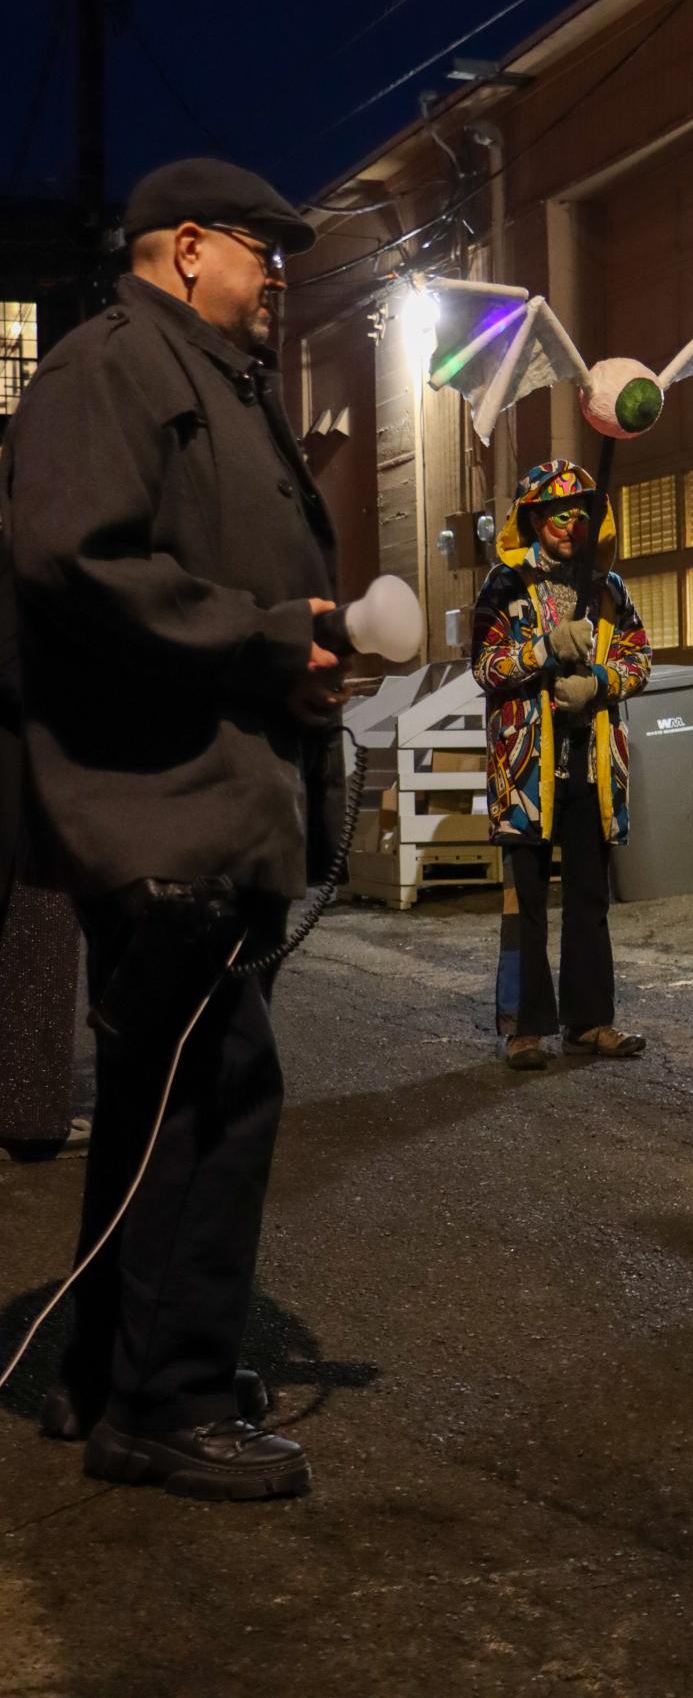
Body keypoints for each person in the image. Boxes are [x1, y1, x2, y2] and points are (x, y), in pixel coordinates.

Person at [2, 157, 344, 1501]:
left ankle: (110, 1370)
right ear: (185, 246)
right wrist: (269, 639)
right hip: (158, 801)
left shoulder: (202, 374)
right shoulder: (112, 366)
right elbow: (72, 560)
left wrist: (296, 648)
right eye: (265, 248)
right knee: (213, 1098)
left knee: (162, 1101)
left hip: (204, 793)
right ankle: (171, 1402)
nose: (279, 277)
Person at [472, 460, 651, 1070]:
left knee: (588, 900)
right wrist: (544, 649)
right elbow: (485, 666)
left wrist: (599, 681)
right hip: (526, 767)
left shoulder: (609, 590)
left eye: (579, 514)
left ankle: (589, 1022)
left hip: (592, 762)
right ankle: (525, 1029)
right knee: (526, 901)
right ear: (532, 518)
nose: (568, 526)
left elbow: (640, 660)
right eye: (555, 514)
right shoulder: (505, 585)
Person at [0, 526, 85, 1163]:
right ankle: (32, 1118)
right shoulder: (17, 557)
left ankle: (31, 1111)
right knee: (40, 934)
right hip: (25, 781)